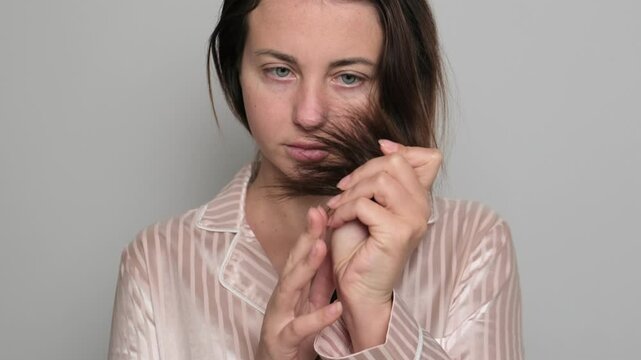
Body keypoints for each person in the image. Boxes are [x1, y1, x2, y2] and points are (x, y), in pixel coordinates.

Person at [108, 0, 524, 359]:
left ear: (394, 83)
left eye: (348, 77)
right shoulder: (158, 263)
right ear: (237, 70)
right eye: (279, 71)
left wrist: (373, 315)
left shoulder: (472, 245)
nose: (309, 115)